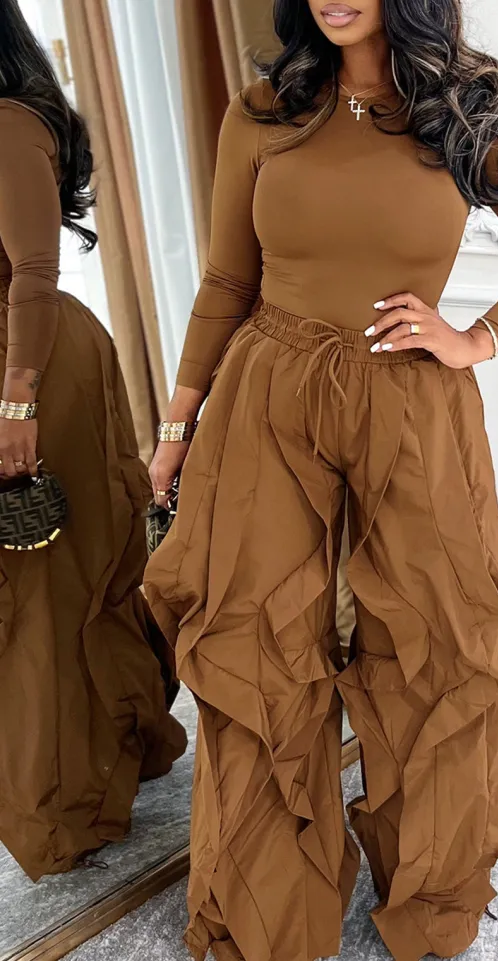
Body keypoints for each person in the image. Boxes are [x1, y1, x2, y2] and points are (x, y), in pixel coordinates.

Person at [145, 1, 498, 959]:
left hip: (413, 401)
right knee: (256, 646)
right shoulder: (265, 110)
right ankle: (270, 917)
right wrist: (177, 427)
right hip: (269, 393)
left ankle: (429, 901)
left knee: (445, 644)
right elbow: (227, 281)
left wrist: (477, 338)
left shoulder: (465, 109)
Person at [0, 0, 187, 880]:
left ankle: (64, 804)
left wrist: (18, 402)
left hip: (30, 371)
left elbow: (35, 271)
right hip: (24, 369)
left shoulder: (8, 122)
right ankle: (102, 748)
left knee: (47, 592)